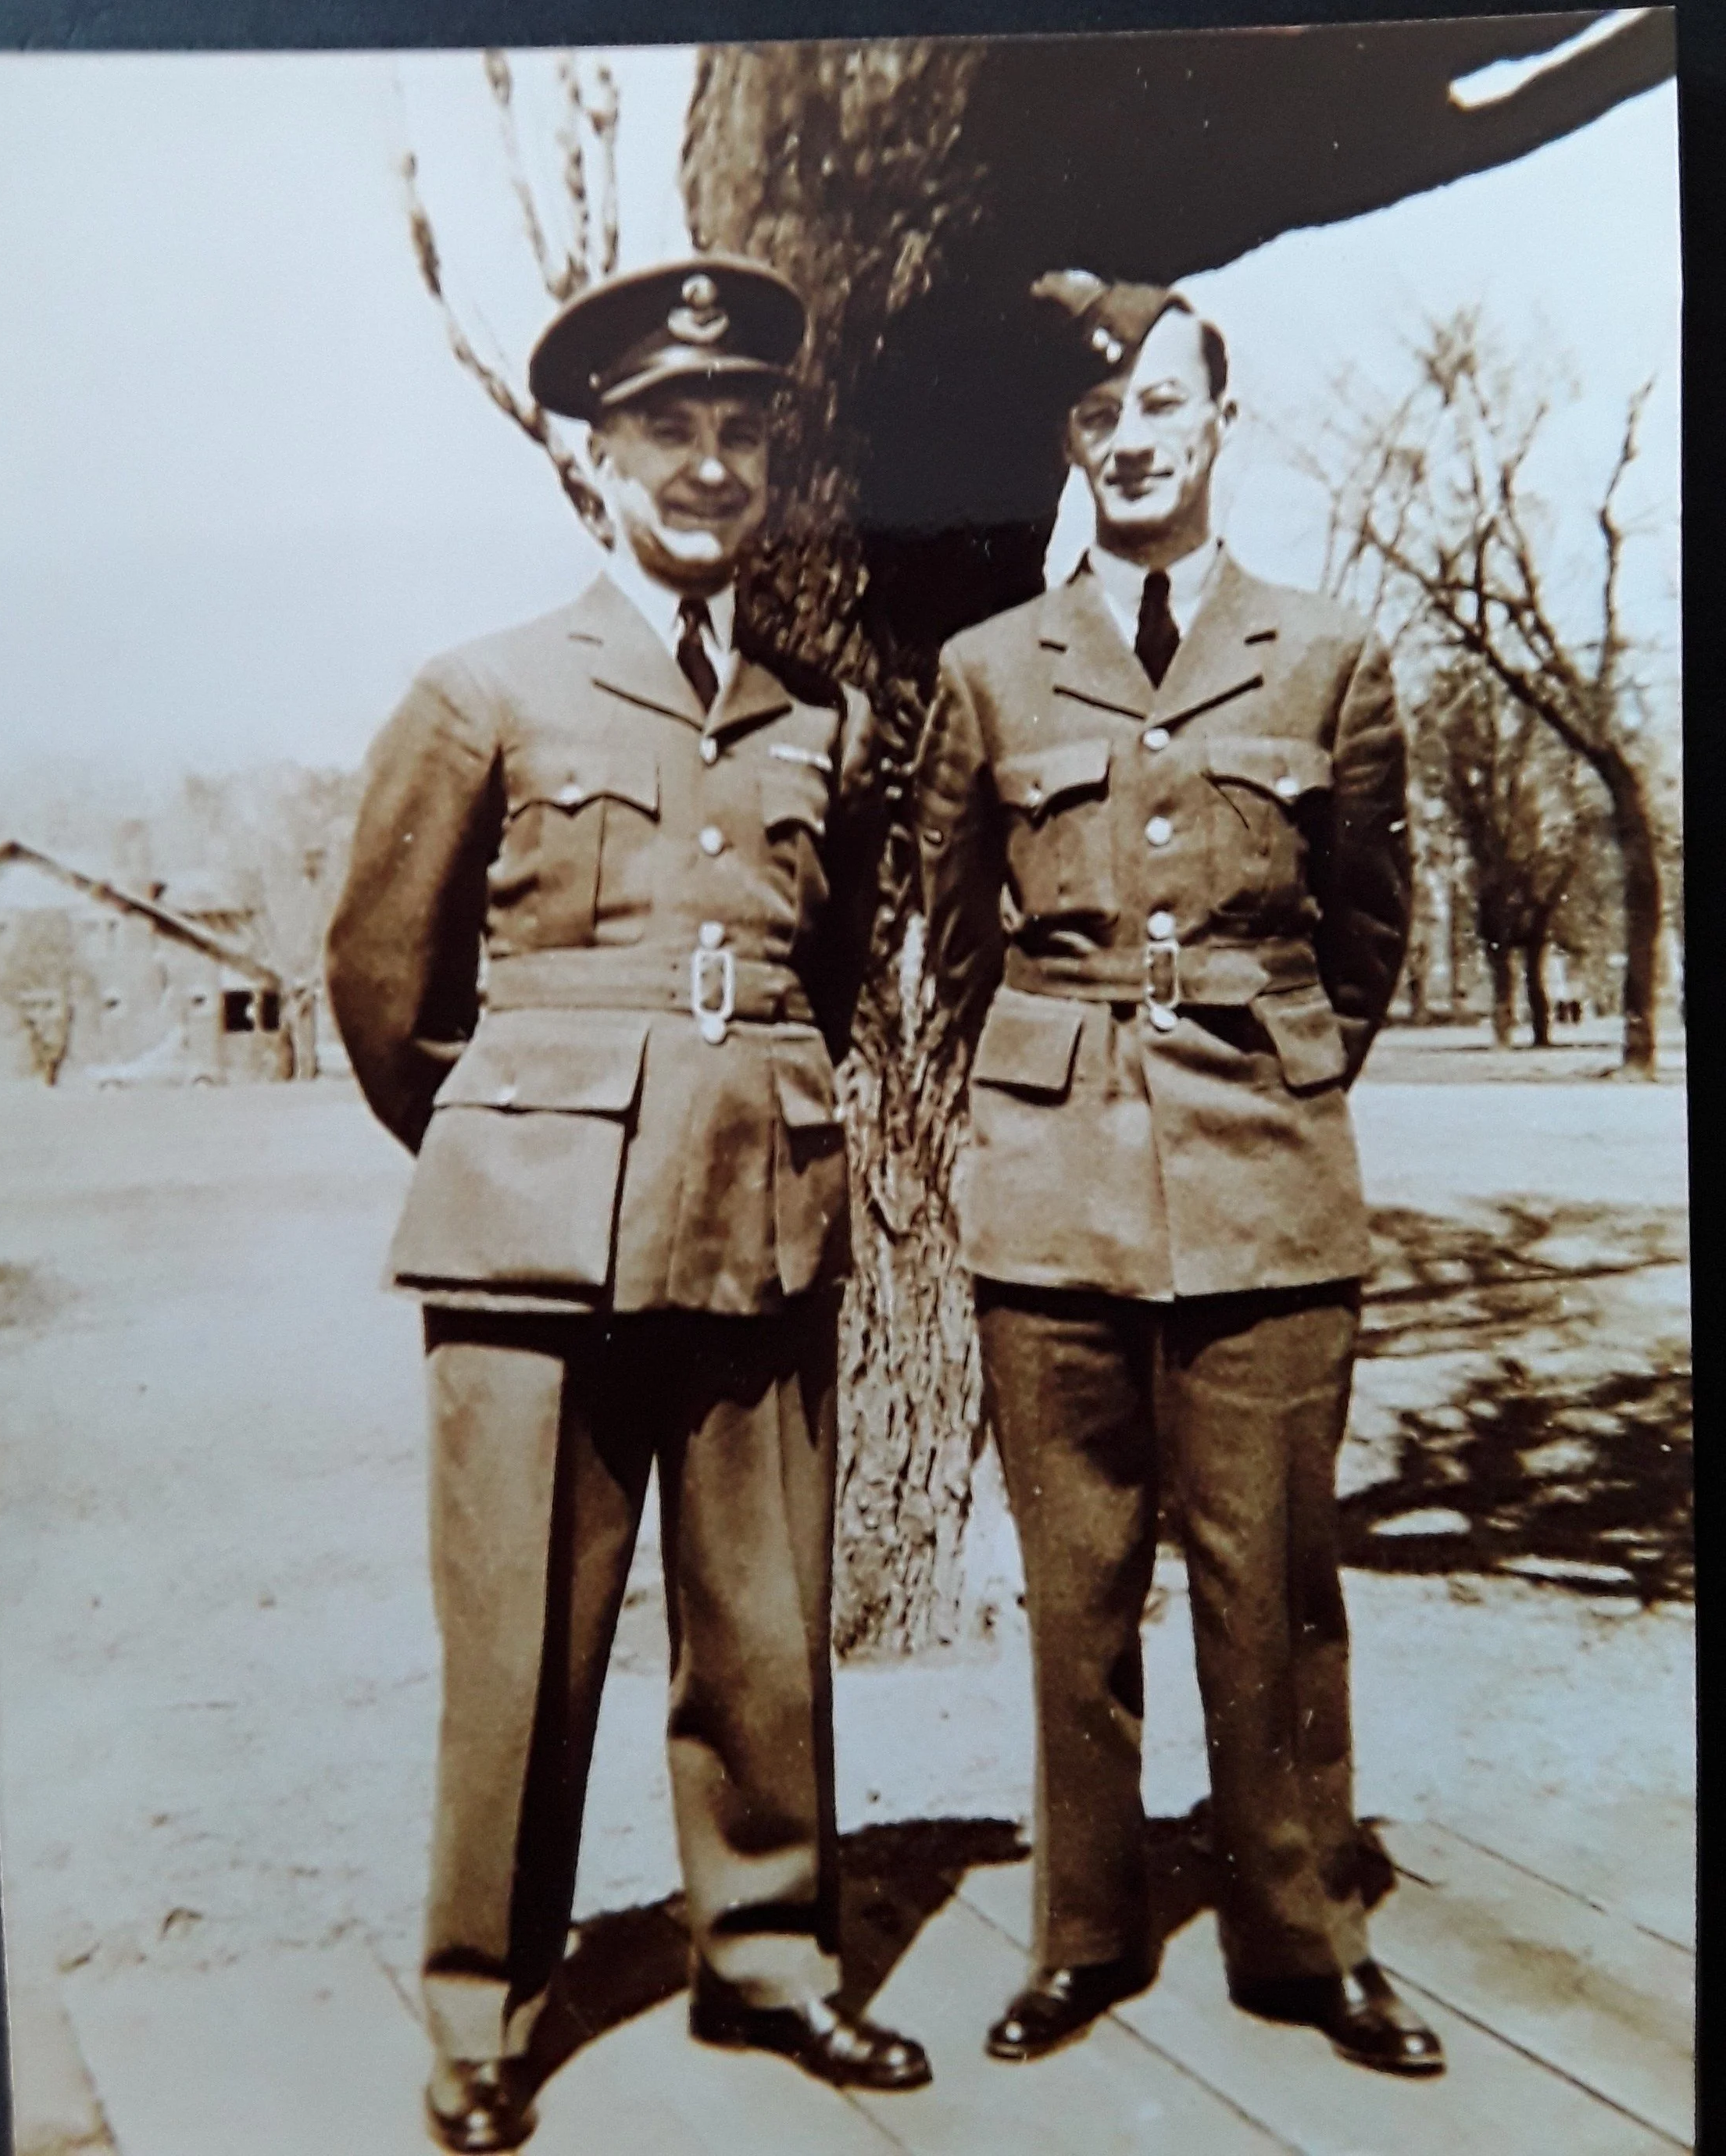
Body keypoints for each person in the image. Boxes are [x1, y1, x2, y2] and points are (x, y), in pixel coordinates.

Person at [327, 255, 931, 2154]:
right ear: (594, 464)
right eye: (668, 430)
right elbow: (379, 986)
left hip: (753, 1205)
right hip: (532, 1238)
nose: (708, 464)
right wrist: (524, 1127)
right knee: (523, 1643)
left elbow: (815, 981)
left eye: (740, 433)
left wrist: (733, 1110)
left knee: (761, 1626)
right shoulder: (482, 689)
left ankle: (764, 1964)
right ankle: (483, 2007)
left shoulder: (813, 719)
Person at [913, 276, 1445, 2078]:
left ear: (1220, 424)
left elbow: (1363, 934)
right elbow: (944, 946)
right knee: (1074, 1587)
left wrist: (1266, 1069)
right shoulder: (987, 669)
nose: (1128, 437)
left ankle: (1302, 1940)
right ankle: (1083, 1934)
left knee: (1273, 1585)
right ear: (1068, 444)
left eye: (1160, 404)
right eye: (1096, 415)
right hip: (1048, 1186)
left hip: (1266, 1179)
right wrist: (1055, 1093)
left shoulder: (1329, 656)